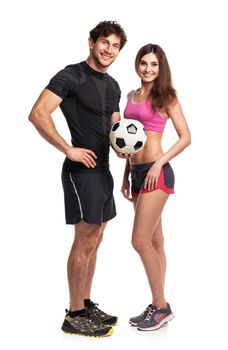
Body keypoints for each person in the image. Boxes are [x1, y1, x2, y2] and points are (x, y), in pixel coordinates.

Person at [28, 21, 127, 338]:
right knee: (84, 241)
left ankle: (84, 302)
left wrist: (122, 147)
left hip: (104, 170)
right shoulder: (71, 75)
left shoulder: (113, 87)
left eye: (115, 46)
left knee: (96, 239)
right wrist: (68, 149)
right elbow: (39, 112)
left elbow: (115, 131)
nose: (109, 50)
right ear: (91, 42)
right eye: (104, 43)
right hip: (81, 172)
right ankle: (74, 315)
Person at [121, 44, 191, 331]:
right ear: (137, 65)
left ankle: (161, 307)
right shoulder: (130, 95)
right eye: (143, 63)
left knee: (139, 241)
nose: (148, 69)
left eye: (154, 65)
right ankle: (158, 303)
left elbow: (186, 137)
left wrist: (158, 163)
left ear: (161, 68)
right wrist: (127, 173)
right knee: (156, 242)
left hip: (156, 176)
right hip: (136, 174)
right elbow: (129, 141)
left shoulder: (167, 97)